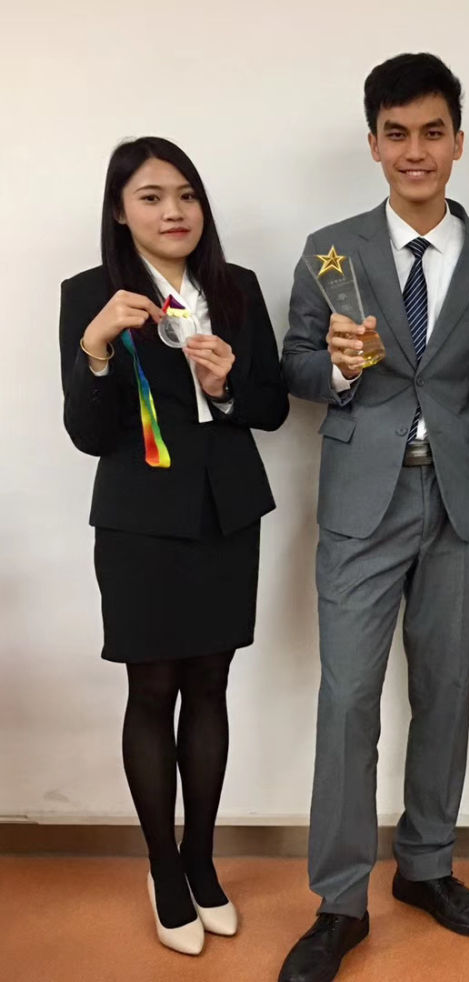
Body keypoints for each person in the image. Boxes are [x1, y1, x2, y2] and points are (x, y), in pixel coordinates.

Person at [278, 53, 469, 982]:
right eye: (396, 133)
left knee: (446, 690)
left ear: (458, 141)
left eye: (431, 132)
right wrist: (338, 368)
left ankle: (426, 865)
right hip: (359, 504)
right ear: (373, 143)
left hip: (456, 503)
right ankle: (340, 901)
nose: (414, 151)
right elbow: (295, 365)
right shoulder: (330, 250)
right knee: (347, 699)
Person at [58, 137, 288, 955]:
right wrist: (93, 351)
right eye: (151, 197)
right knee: (152, 690)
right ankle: (162, 869)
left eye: (186, 194)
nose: (174, 211)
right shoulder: (91, 295)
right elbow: (89, 435)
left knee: (211, 685)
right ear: (121, 212)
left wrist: (226, 388)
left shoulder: (237, 288)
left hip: (226, 513)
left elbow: (272, 408)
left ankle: (200, 860)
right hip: (139, 522)